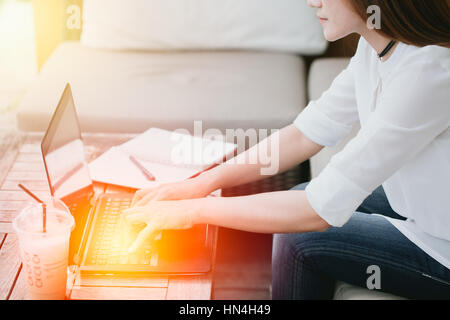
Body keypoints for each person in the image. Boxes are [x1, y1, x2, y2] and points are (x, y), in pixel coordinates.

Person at [122, 0, 450, 299]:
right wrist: (202, 184)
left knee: (300, 238)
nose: (312, 2)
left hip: (444, 249)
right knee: (303, 193)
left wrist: (193, 211)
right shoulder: (378, 47)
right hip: (430, 210)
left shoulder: (429, 72)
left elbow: (315, 212)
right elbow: (305, 134)